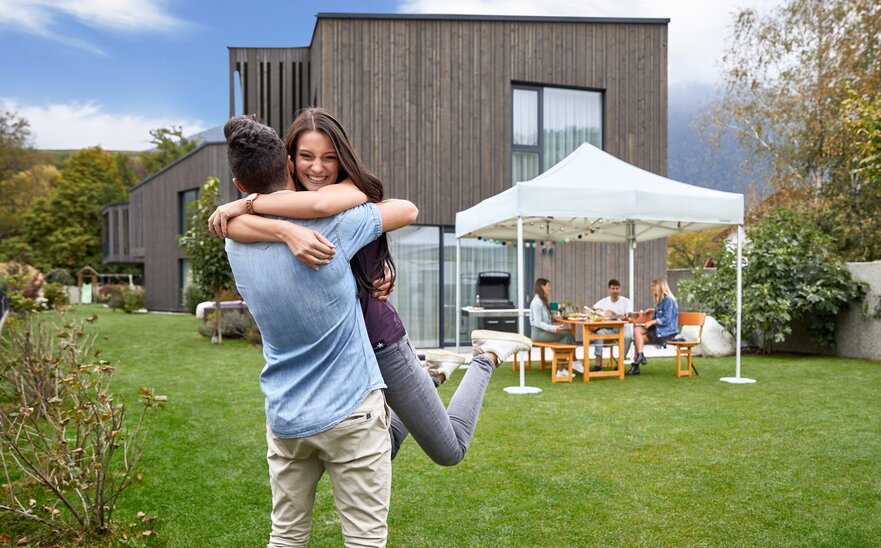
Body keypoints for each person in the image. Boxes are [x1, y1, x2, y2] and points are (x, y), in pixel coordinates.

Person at [212, 108, 531, 476]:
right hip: (341, 363)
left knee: (450, 449)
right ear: (288, 160)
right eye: (306, 157)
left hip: (380, 343)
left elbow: (377, 209)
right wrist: (285, 230)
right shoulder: (274, 208)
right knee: (379, 450)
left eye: (329, 158)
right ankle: (431, 376)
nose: (318, 168)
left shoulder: (346, 196)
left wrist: (247, 203)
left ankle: (485, 355)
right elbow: (230, 229)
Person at [529, 278, 583, 376]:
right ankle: (568, 366)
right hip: (538, 334)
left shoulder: (541, 300)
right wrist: (554, 328)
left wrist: (553, 317)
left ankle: (566, 368)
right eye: (548, 286)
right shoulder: (537, 302)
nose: (550, 288)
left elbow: (544, 319)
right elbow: (538, 323)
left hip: (543, 332)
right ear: (542, 286)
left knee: (568, 335)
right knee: (567, 335)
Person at [629, 278, 679, 375]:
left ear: (660, 287)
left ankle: (637, 364)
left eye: (653, 286)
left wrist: (652, 322)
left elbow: (667, 319)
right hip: (659, 331)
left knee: (638, 334)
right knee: (638, 334)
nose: (652, 289)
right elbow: (662, 314)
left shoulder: (668, 300)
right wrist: (652, 311)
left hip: (666, 332)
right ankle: (639, 358)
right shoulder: (661, 301)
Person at [590, 279, 634, 372]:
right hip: (608, 328)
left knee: (628, 336)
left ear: (620, 289)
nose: (615, 290)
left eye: (617, 288)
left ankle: (620, 363)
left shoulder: (626, 301)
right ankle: (598, 364)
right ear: (609, 289)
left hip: (622, 328)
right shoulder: (604, 301)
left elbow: (630, 318)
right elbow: (593, 309)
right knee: (599, 333)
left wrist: (626, 318)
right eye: (613, 288)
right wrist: (602, 313)